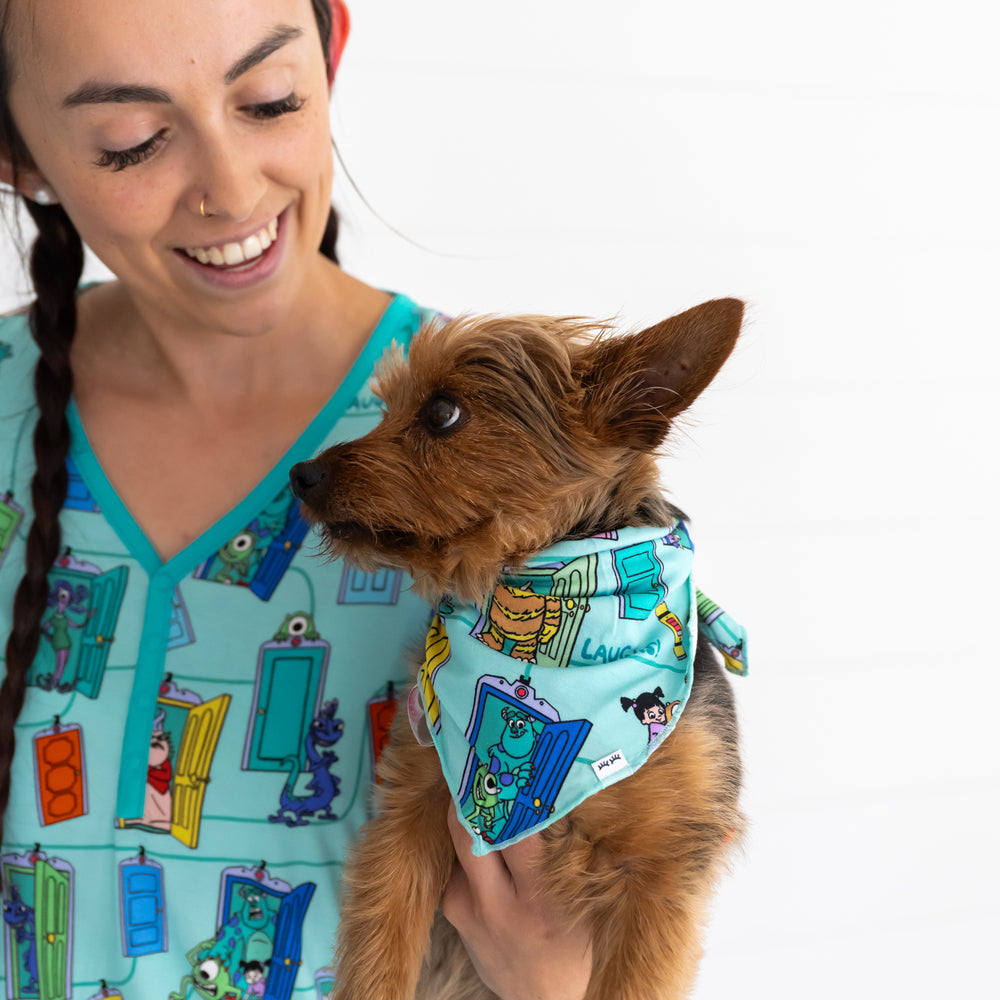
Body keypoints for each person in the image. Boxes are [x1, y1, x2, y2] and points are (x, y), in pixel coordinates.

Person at [0, 2, 591, 998]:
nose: (231, 191)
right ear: (17, 155)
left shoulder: (510, 445)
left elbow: (601, 914)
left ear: (332, 53)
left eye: (268, 100)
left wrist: (553, 973)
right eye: (133, 142)